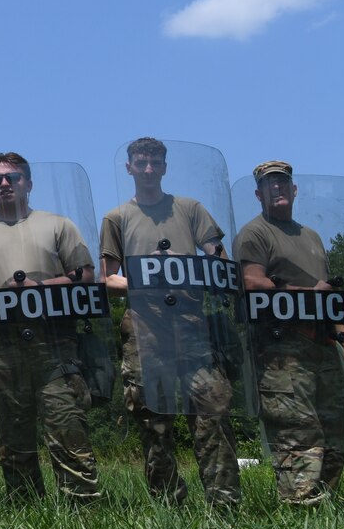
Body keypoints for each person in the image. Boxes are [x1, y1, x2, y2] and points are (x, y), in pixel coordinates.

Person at [98, 137, 240, 508]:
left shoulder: (190, 209)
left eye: (155, 162)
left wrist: (195, 264)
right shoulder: (117, 218)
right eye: (141, 163)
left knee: (214, 409)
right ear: (128, 168)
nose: (148, 169)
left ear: (165, 167)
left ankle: (224, 504)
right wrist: (148, 279)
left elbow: (221, 262)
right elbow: (108, 280)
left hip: (194, 326)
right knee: (152, 420)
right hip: (144, 329)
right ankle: (167, 505)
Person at [0, 153, 102, 502]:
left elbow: (86, 275)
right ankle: (25, 509)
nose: (4, 184)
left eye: (12, 177)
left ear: (28, 183)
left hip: (54, 345)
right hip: (2, 350)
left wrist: (39, 289)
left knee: (68, 429)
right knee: (13, 439)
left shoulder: (58, 224)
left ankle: (84, 510)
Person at [234, 160, 344, 505]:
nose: (277, 188)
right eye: (269, 184)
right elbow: (252, 284)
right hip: (282, 352)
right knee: (298, 437)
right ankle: (299, 515)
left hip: (323, 346)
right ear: (258, 194)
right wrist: (308, 294)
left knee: (334, 436)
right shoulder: (255, 232)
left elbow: (330, 297)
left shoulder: (311, 236)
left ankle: (326, 510)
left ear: (293, 190)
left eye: (283, 183)